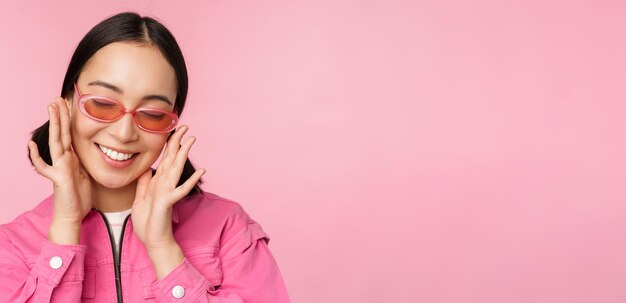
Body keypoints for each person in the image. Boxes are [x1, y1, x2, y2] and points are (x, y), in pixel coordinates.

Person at [0, 12, 290, 302]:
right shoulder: (10, 246)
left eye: (152, 114)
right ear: (67, 103)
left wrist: (164, 249)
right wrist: (65, 225)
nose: (125, 132)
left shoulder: (229, 230)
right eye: (102, 104)